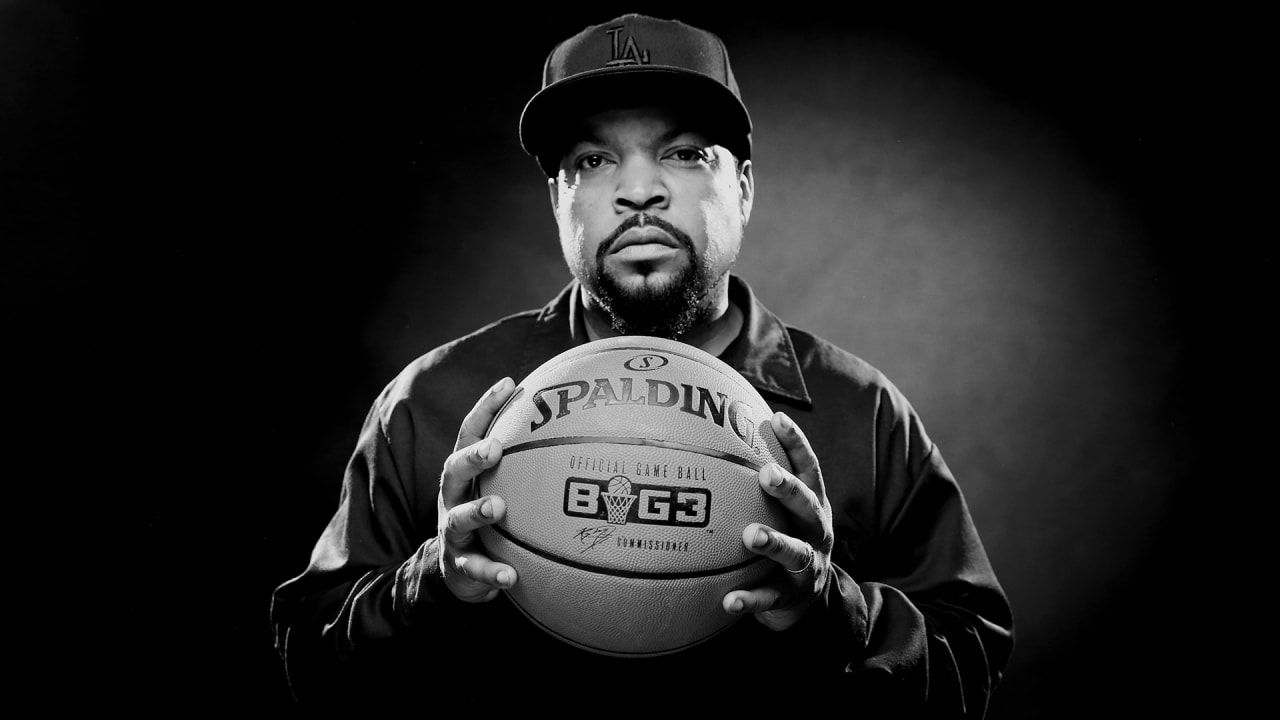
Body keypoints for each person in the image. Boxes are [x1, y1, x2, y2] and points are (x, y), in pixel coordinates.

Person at [271, 13, 1013, 714]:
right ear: (558, 201)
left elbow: (972, 663)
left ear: (743, 188)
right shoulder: (436, 402)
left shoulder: (861, 413)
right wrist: (428, 586)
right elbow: (309, 660)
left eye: (684, 153)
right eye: (593, 160)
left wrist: (832, 608)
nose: (637, 191)